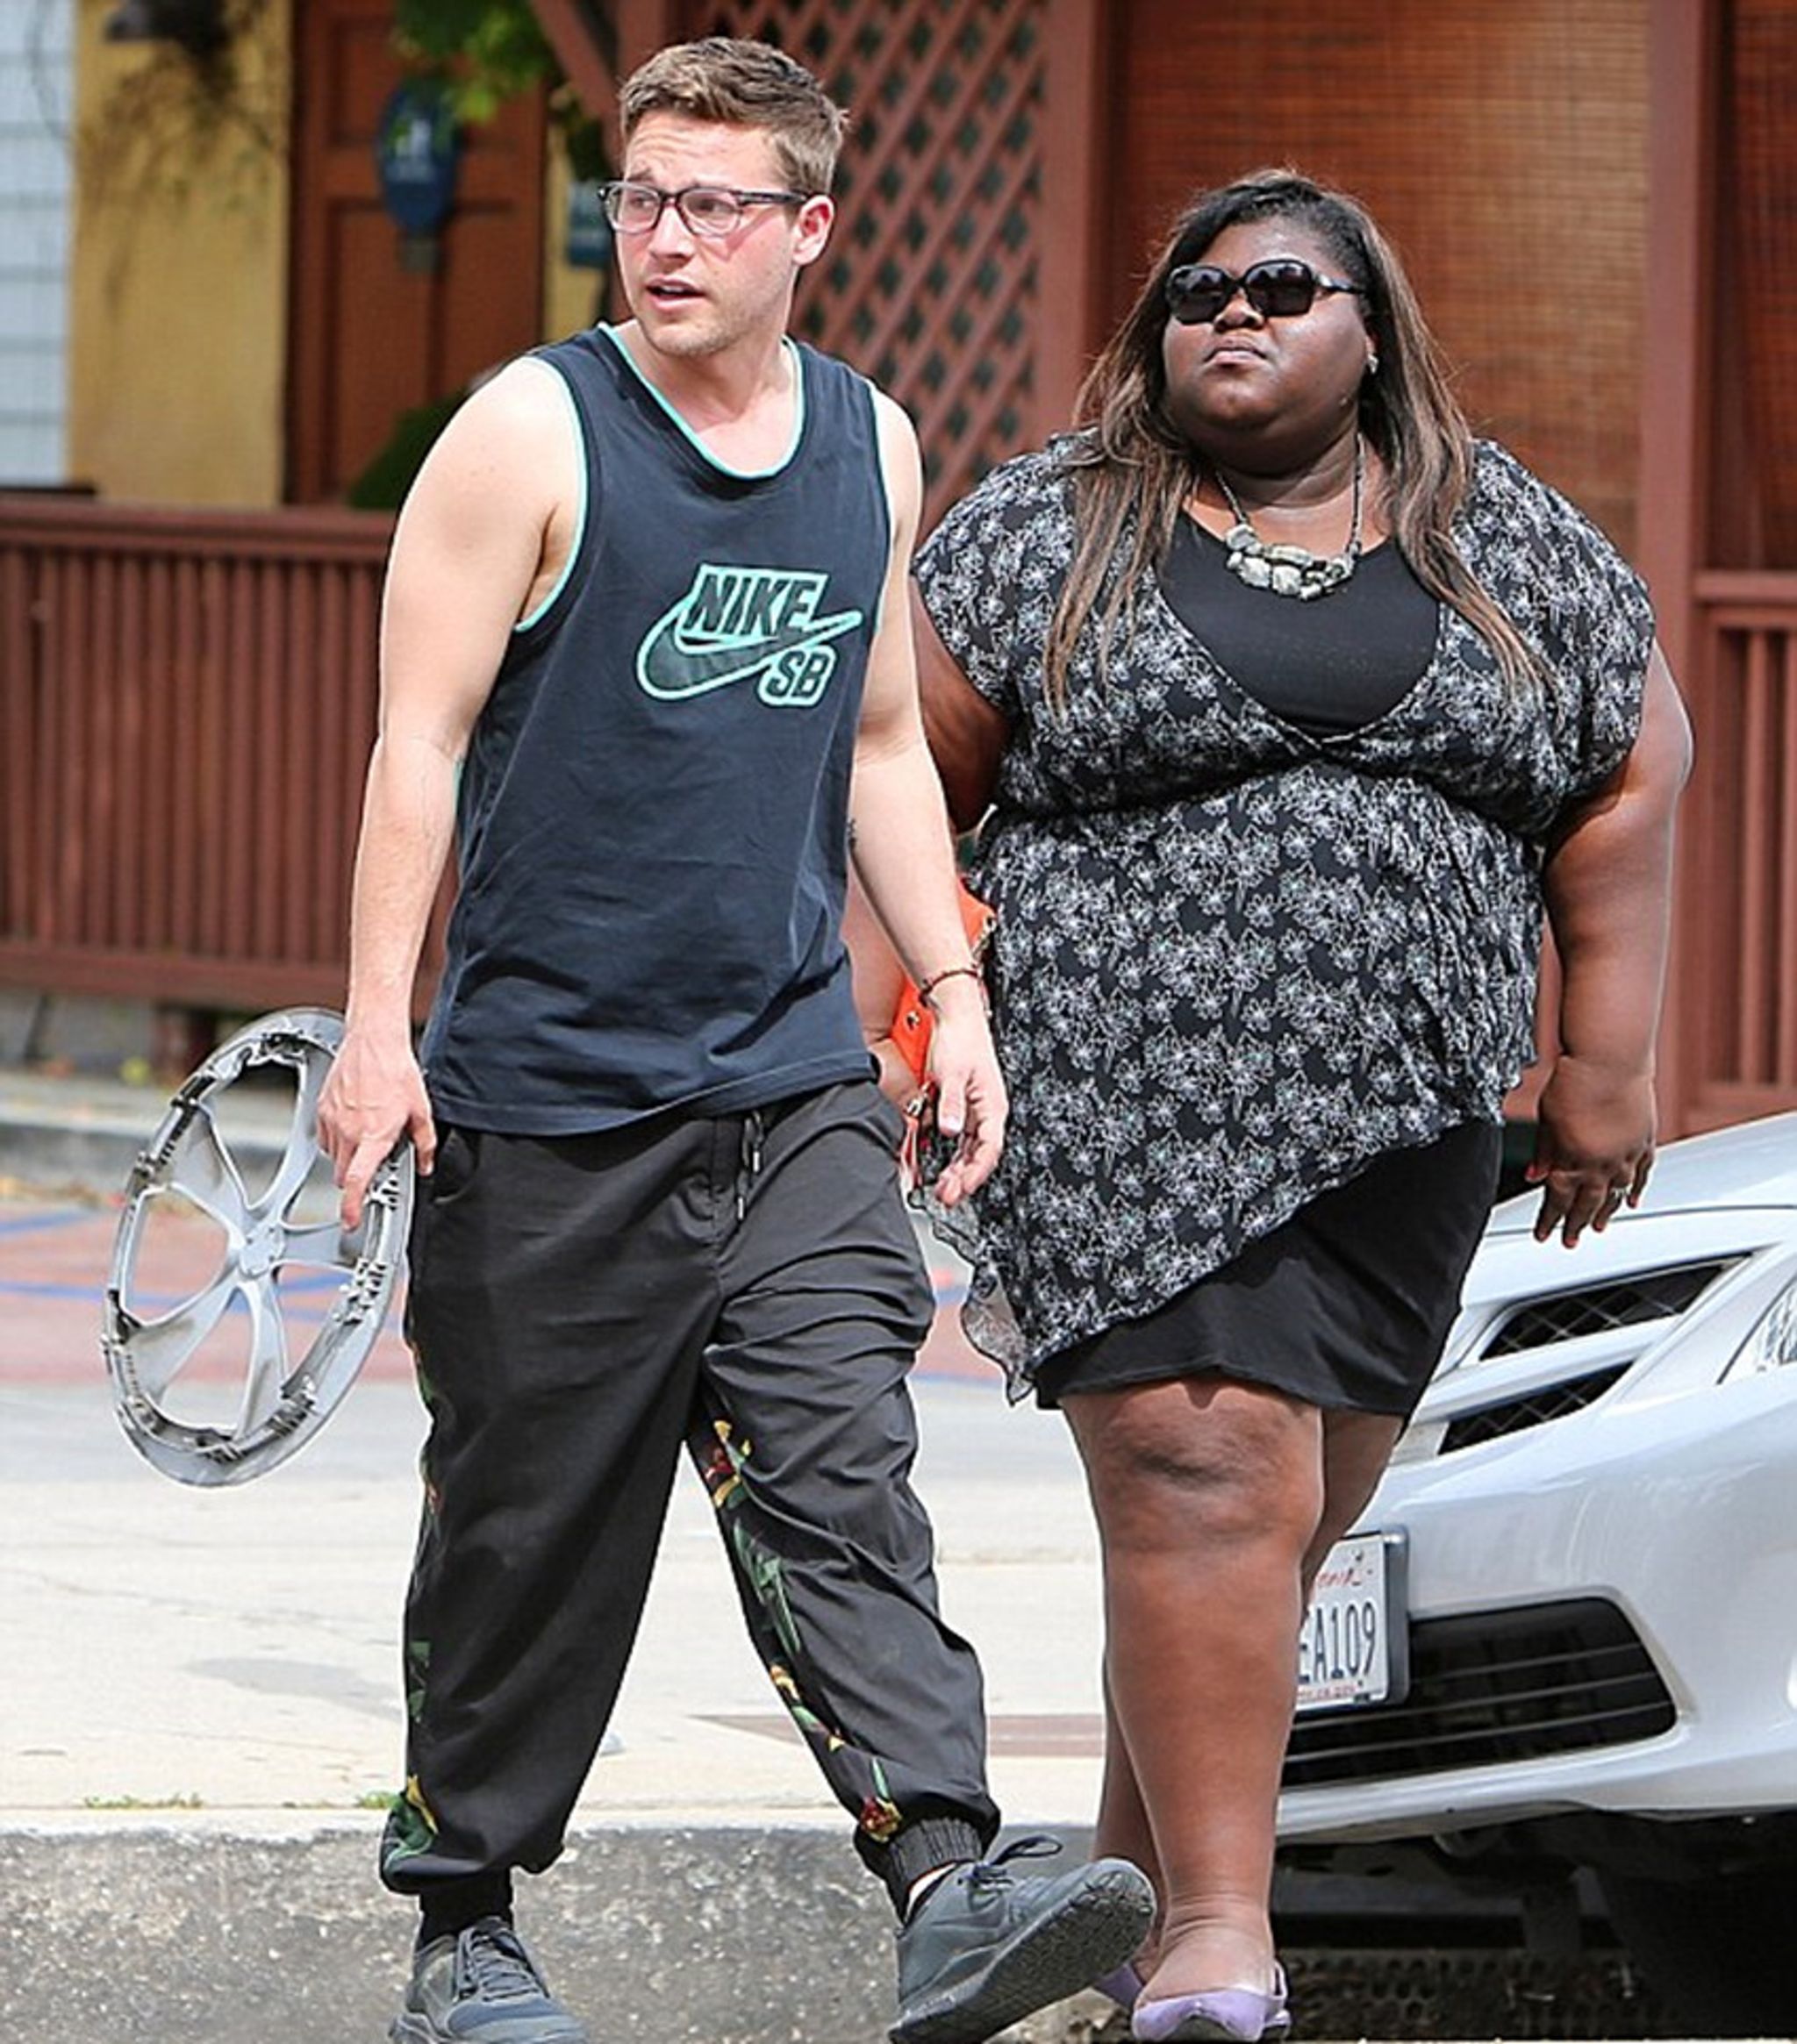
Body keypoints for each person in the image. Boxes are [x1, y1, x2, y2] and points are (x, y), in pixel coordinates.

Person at [317, 36, 1151, 2044]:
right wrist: (372, 1030)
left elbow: (874, 738)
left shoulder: (870, 443)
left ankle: (945, 1872)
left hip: (784, 1087)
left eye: (710, 207)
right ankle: (469, 1933)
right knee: (530, 1530)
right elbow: (414, 745)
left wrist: (949, 986)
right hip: (544, 1095)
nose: (661, 239)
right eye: (640, 199)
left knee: (842, 1471)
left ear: (808, 231)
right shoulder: (531, 435)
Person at [906, 168, 1692, 2044]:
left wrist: (1605, 1059)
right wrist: (910, 1002)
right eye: (1194, 290)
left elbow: (1628, 772)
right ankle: (1222, 1949)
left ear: (1369, 330)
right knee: (1203, 1473)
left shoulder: (1492, 532)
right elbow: (901, 764)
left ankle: (1118, 1899)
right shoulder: (1052, 523)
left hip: (1402, 1118)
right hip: (1127, 1096)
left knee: (1281, 1512)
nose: (1228, 314)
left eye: (1278, 286)